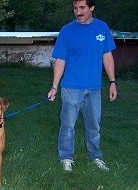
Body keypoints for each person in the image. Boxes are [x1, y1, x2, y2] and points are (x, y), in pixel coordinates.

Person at [47, 0, 117, 172]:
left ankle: (95, 156)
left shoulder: (102, 28)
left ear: (92, 7)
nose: (78, 12)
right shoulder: (67, 31)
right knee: (68, 125)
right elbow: (60, 60)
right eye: (75, 8)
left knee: (94, 125)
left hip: (94, 87)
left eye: (82, 8)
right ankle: (66, 157)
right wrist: (54, 86)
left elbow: (107, 57)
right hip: (71, 86)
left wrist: (113, 82)